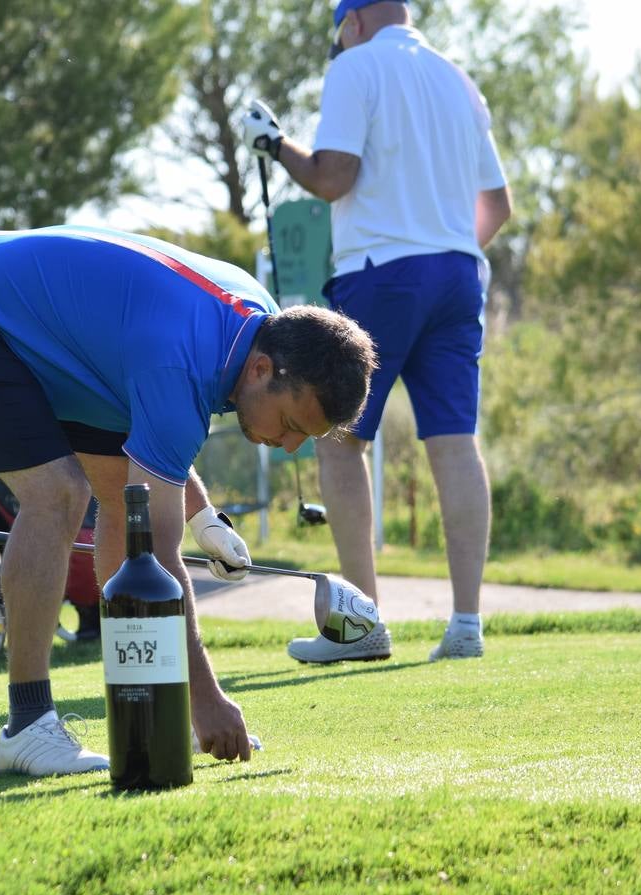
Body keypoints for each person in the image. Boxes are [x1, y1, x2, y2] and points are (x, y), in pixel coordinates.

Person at [0, 224, 376, 776]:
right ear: (262, 369)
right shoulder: (183, 360)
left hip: (63, 345)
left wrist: (204, 519)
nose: (290, 446)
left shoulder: (261, 326)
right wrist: (206, 700)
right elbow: (156, 555)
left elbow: (152, 456)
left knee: (120, 510)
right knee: (59, 494)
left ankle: (150, 705)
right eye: (292, 425)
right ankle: (26, 727)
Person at [241, 0, 513, 664]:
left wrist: (273, 144)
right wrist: (442, 248)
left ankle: (363, 627)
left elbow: (333, 178)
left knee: (340, 441)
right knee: (454, 443)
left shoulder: (356, 65)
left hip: (381, 272)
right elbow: (498, 207)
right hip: (458, 273)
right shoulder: (458, 78)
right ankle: (467, 625)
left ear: (355, 21)